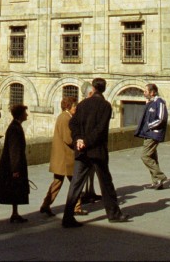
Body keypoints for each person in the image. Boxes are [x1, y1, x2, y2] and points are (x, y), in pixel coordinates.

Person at [61, 78, 131, 228]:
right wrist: (86, 141)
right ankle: (114, 214)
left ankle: (67, 217)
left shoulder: (82, 104)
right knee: (106, 183)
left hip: (82, 151)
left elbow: (72, 123)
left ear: (93, 88)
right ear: (104, 89)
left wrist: (79, 139)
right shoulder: (105, 106)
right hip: (96, 151)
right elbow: (100, 130)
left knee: (75, 184)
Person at [39, 97, 86, 217]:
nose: (76, 108)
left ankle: (46, 204)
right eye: (74, 106)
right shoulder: (65, 118)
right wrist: (79, 141)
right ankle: (77, 207)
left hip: (61, 157)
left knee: (57, 182)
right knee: (75, 182)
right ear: (68, 107)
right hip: (66, 158)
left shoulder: (63, 117)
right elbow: (68, 138)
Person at [0, 104, 30, 224]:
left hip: (12, 164)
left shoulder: (15, 126)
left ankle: (14, 213)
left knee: (14, 189)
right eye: (25, 113)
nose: (27, 115)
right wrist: (15, 169)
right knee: (7, 188)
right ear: (20, 115)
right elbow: (14, 150)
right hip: (11, 165)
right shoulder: (14, 128)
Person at [136, 83, 169, 189]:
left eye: (146, 91)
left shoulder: (159, 103)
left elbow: (161, 118)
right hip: (148, 133)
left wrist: (150, 126)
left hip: (153, 133)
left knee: (145, 156)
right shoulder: (150, 103)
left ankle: (161, 176)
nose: (144, 93)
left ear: (152, 92)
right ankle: (157, 182)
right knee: (152, 157)